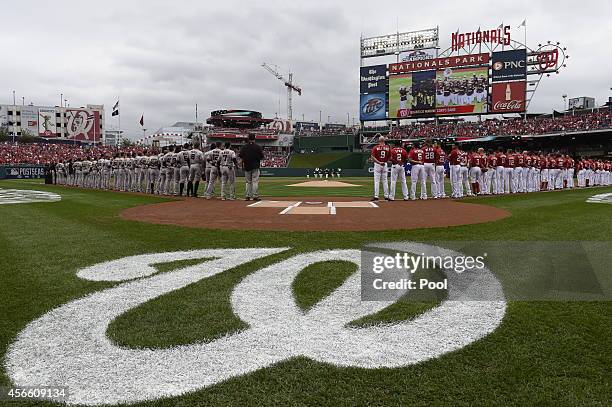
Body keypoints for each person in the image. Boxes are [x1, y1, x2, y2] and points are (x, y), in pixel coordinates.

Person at [239, 133, 264, 201]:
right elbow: (262, 157)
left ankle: (247, 196)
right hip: (255, 166)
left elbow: (241, 156)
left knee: (248, 182)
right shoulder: (258, 147)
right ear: (254, 139)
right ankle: (255, 196)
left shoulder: (244, 147)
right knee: (255, 181)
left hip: (247, 166)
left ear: (248, 138)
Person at [370, 135, 391, 201]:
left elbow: (372, 157)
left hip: (377, 164)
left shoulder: (375, 147)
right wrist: (385, 161)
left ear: (379, 141)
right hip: (384, 164)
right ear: (384, 141)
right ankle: (386, 196)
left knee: (377, 181)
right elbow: (390, 157)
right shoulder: (388, 147)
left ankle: (376, 196)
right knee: (385, 181)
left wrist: (379, 162)